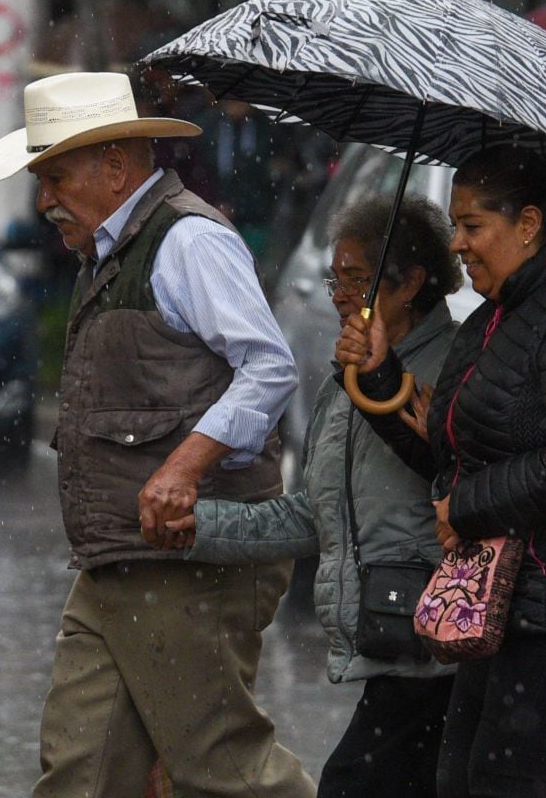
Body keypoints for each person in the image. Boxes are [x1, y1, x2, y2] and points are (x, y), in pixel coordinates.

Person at [0, 71, 313, 798]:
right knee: (82, 773)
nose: (44, 202)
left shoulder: (188, 241)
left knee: (222, 770)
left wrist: (185, 468)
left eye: (54, 177)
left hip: (188, 558)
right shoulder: (110, 250)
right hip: (120, 558)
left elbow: (268, 368)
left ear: (116, 166)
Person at [338, 145, 546, 798]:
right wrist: (377, 375)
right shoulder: (492, 321)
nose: (457, 243)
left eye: (472, 225)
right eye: (456, 225)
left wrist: (466, 507)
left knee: (499, 782)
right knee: (457, 781)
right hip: (505, 599)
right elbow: (452, 459)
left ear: (529, 224)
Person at [167, 195, 463, 798]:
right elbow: (317, 512)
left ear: (408, 284)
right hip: (389, 638)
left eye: (356, 279)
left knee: (352, 784)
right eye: (336, 278)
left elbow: (460, 478)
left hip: (435, 638)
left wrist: (388, 384)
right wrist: (199, 526)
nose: (338, 294)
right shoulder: (344, 380)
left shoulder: (458, 365)